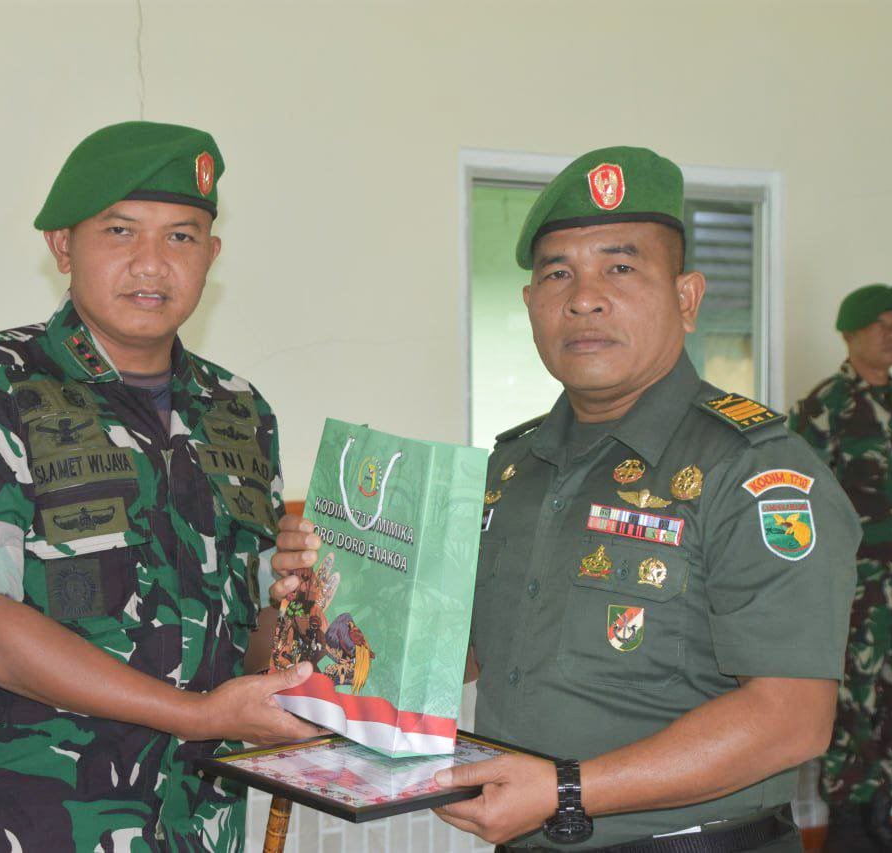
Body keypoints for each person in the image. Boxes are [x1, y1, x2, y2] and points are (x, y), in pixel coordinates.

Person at [272, 146, 861, 851]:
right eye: (557, 273)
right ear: (531, 306)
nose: (583, 297)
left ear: (686, 298)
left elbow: (794, 718)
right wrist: (320, 598)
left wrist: (569, 789)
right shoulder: (507, 472)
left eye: (621, 267)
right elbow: (442, 659)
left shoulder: (753, 470)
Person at [0, 121, 320, 852]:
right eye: (120, 231)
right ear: (62, 245)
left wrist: (307, 622)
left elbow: (241, 637)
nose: (152, 263)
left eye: (181, 237)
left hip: (196, 829)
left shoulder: (240, 411)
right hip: (23, 829)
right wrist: (199, 716)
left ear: (211, 255)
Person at [789, 284, 892, 853]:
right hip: (855, 594)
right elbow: (799, 504)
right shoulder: (824, 406)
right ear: (850, 335)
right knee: (855, 709)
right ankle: (848, 833)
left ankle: (880, 821)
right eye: (880, 325)